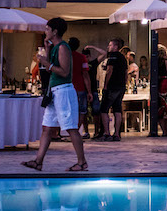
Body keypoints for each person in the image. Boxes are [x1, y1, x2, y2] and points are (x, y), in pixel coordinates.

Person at [22, 17, 88, 172]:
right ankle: (38, 161)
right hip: (55, 92)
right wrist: (48, 50)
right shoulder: (55, 47)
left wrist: (45, 62)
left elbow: (64, 72)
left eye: (47, 29)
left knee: (71, 127)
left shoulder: (63, 48)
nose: (45, 31)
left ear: (55, 31)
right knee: (47, 127)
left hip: (63, 91)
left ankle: (82, 162)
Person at [91, 38, 127, 141]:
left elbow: (109, 71)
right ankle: (117, 133)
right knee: (117, 109)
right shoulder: (123, 58)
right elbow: (125, 72)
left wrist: (105, 85)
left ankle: (106, 132)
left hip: (112, 86)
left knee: (104, 109)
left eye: (110, 45)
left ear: (116, 47)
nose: (108, 47)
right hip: (121, 87)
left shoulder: (113, 57)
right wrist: (124, 84)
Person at [67, 38, 93, 138]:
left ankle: (70, 131)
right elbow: (86, 75)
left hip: (68, 87)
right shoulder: (82, 57)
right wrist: (89, 91)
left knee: (70, 110)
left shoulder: (65, 56)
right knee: (82, 111)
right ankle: (76, 131)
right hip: (80, 88)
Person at [155, 44, 167, 136]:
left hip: (158, 84)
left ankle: (164, 129)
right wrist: (166, 57)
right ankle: (166, 130)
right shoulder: (165, 62)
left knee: (160, 108)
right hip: (164, 84)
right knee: (166, 106)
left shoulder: (155, 62)